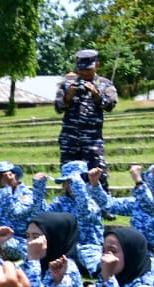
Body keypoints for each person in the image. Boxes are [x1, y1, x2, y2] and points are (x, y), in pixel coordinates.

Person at [55, 49, 118, 189]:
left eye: (87, 69)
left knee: (98, 174)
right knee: (70, 176)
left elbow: (110, 105)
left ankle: (103, 208)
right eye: (81, 69)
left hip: (92, 140)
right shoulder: (66, 84)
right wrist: (68, 97)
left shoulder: (105, 84)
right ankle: (72, 207)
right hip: (69, 140)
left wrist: (96, 94)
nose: (84, 73)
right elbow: (58, 107)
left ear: (96, 65)